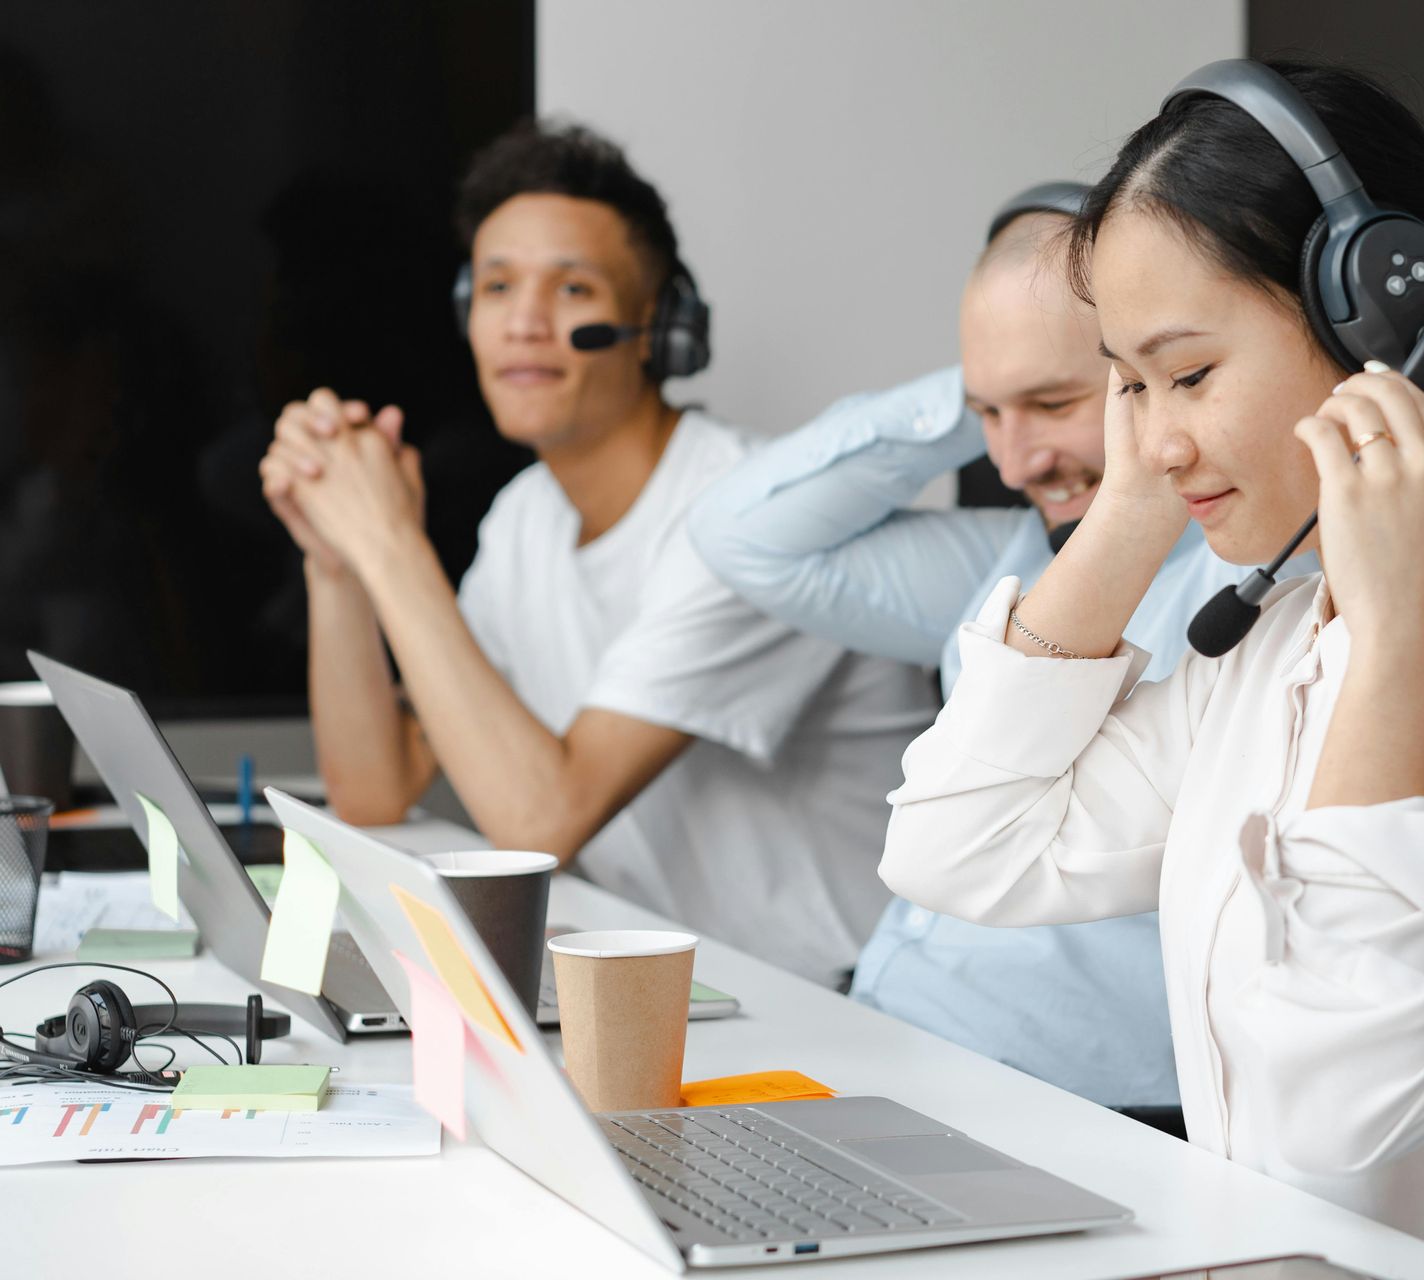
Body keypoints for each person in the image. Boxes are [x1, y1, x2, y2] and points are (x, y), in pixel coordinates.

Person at [878, 59, 1424, 1278]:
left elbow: (1343, 1103)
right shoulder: (1281, 649)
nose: (1156, 429)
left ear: (1376, 329)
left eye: (1188, 373)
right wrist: (1135, 507)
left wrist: (1396, 639)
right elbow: (954, 844)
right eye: (1128, 384)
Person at [258, 122, 935, 986]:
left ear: (659, 326)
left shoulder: (756, 514)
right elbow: (374, 790)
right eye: (498, 287)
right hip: (667, 995)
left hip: (842, 1011)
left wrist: (391, 540)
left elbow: (542, 819)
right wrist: (340, 563)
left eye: (572, 289)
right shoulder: (526, 516)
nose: (526, 323)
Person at [689, 187, 1308, 1115]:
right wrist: (1000, 372)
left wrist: (1133, 369)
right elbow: (744, 533)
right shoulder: (1010, 557)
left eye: (1052, 403)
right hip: (884, 1044)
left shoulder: (1275, 573)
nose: (1013, 463)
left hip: (1083, 1102)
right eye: (988, 415)